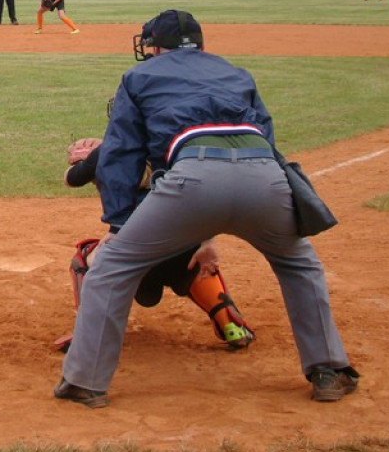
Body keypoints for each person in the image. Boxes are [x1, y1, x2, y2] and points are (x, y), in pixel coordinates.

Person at [53, 9, 358, 408]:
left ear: (155, 47)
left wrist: (120, 223)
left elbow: (121, 155)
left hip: (191, 180)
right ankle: (328, 370)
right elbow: (265, 138)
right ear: (201, 45)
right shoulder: (237, 73)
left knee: (109, 269)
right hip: (264, 178)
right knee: (300, 264)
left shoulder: (139, 77)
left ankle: (85, 382)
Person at [56, 123, 255, 353]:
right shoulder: (180, 147)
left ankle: (88, 335)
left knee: (83, 258)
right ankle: (230, 323)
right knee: (198, 258)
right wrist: (206, 240)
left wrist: (92, 160)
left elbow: (71, 178)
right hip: (182, 248)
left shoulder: (108, 151)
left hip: (135, 256)